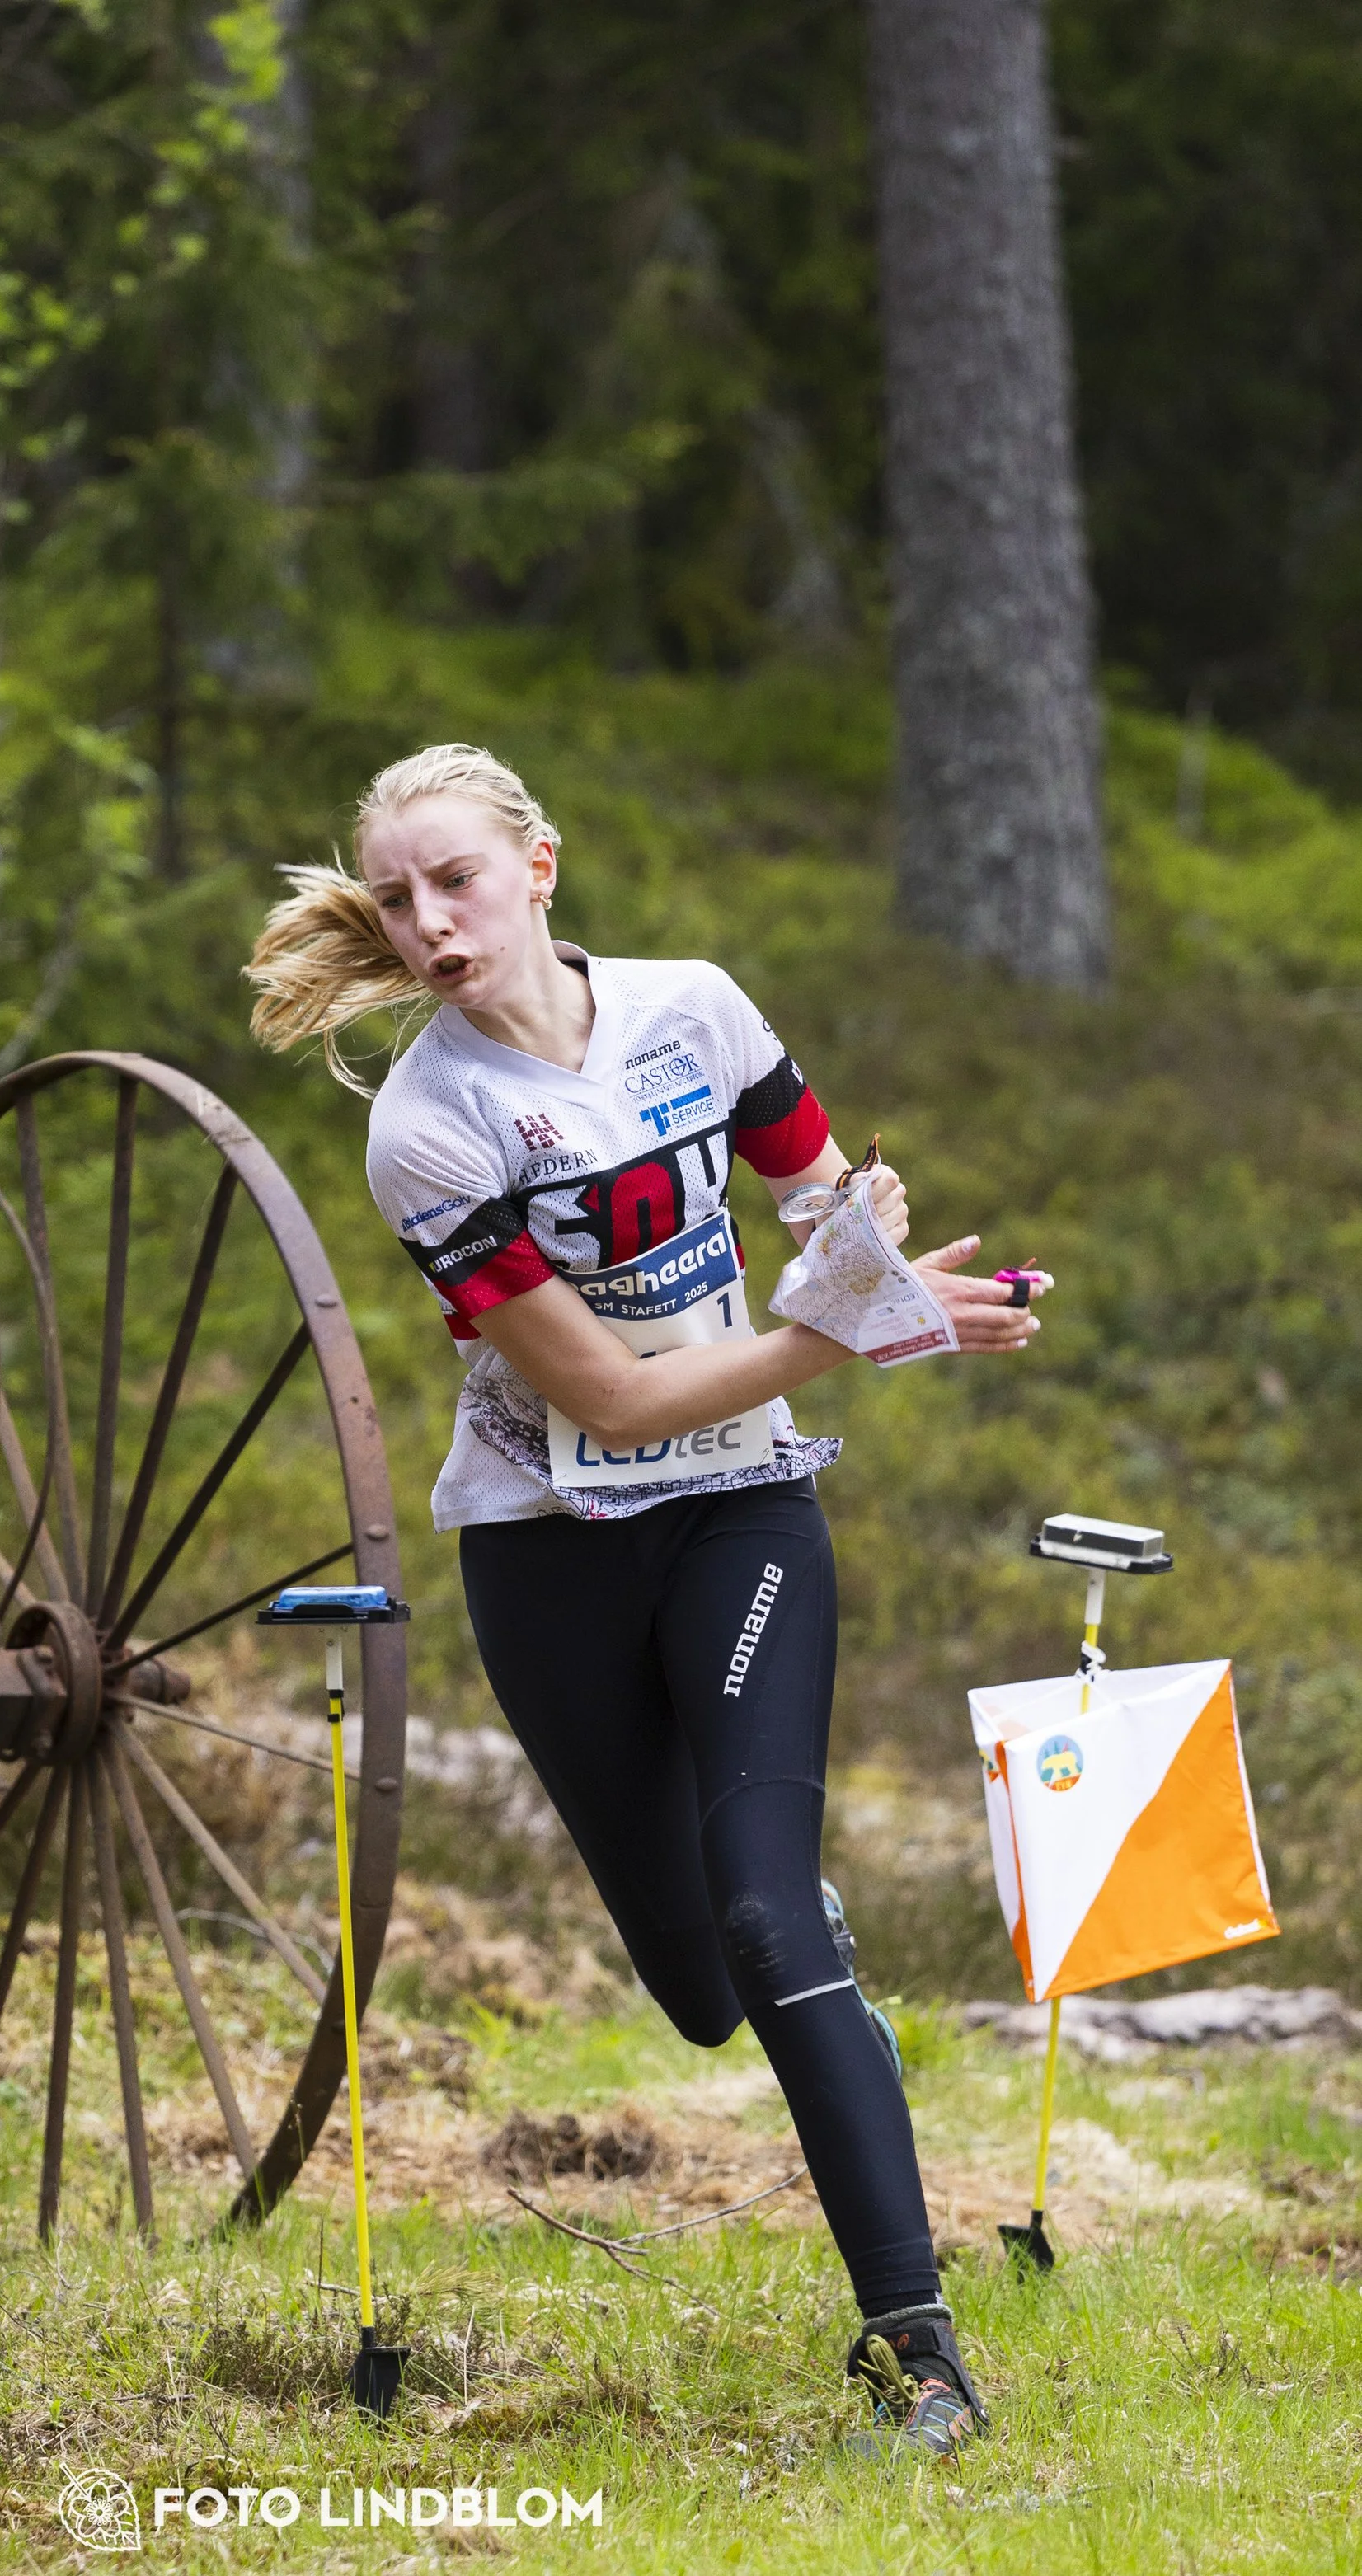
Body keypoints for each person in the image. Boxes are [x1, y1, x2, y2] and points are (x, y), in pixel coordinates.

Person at [247, 743, 1047, 2458]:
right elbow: (605, 1400)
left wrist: (882, 1267)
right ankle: (795, 1961)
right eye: (395, 897)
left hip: (743, 1505)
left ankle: (916, 2352)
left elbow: (818, 1204)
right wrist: (846, 1329)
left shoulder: (695, 1008)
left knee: (764, 1920)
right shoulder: (425, 1124)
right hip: (549, 1542)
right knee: (697, 1980)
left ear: (538, 864)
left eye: (453, 878)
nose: (426, 920)